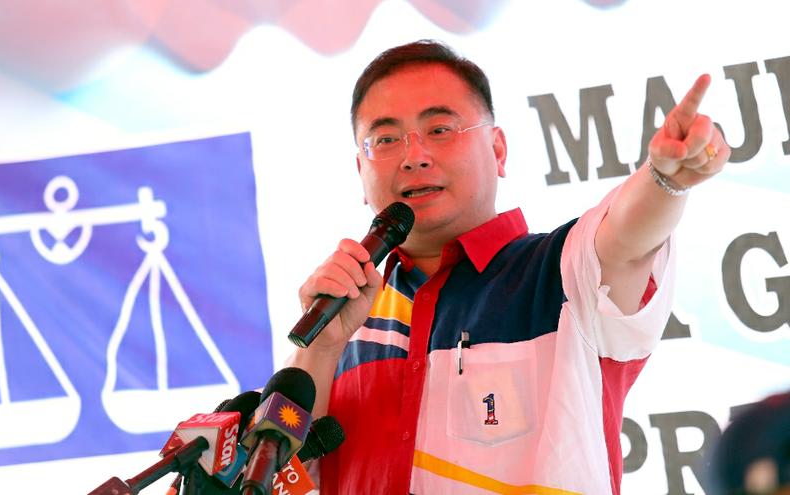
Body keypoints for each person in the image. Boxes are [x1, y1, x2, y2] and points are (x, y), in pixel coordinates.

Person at [288, 40, 730, 494]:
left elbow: (628, 241)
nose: (413, 155)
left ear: (498, 150)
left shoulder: (559, 273)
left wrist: (664, 179)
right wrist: (319, 351)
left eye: (440, 129)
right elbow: (288, 479)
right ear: (360, 170)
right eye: (385, 139)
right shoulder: (343, 315)